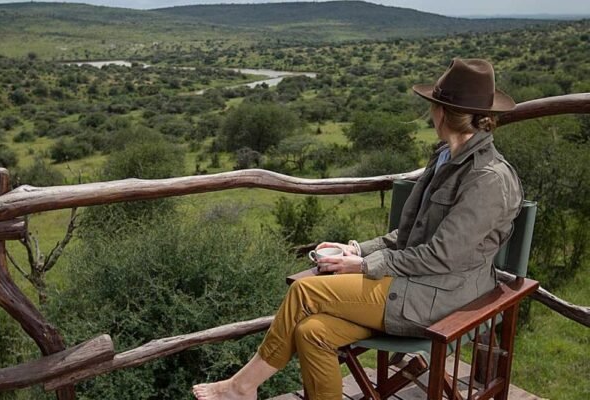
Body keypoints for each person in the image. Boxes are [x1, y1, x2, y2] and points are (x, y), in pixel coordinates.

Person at [192, 58, 523, 400]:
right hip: (413, 286)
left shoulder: (487, 179)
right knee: (312, 331)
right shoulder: (446, 156)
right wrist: (358, 250)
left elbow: (441, 255)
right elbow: (412, 236)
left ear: (440, 112)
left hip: (442, 300)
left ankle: (242, 386)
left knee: (305, 292)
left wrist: (365, 267)